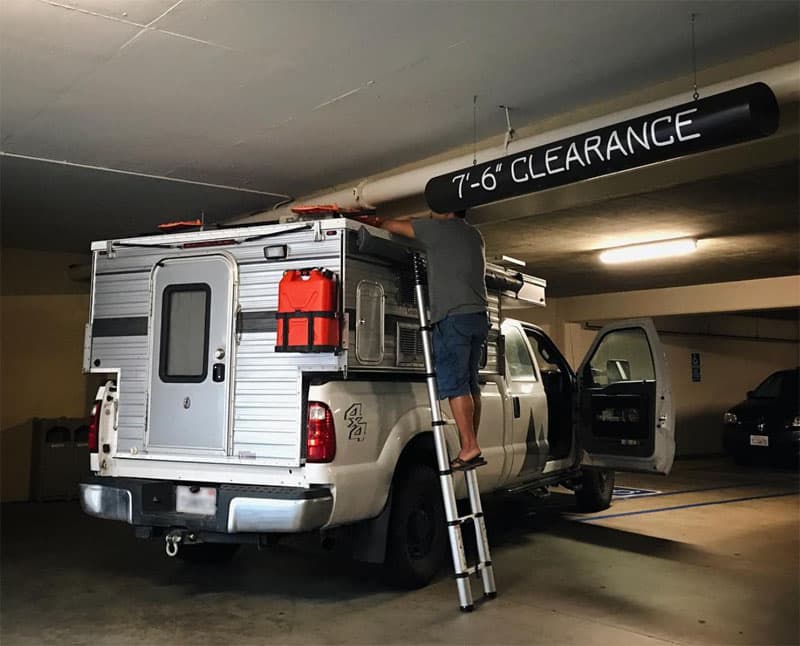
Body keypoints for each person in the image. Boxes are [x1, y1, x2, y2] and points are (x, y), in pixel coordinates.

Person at [381, 210, 489, 470]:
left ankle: (469, 446)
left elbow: (390, 223)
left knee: (454, 384)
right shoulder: (474, 234)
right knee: (470, 382)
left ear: (446, 210)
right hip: (478, 316)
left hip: (454, 317)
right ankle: (470, 444)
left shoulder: (437, 229)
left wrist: (422, 216)